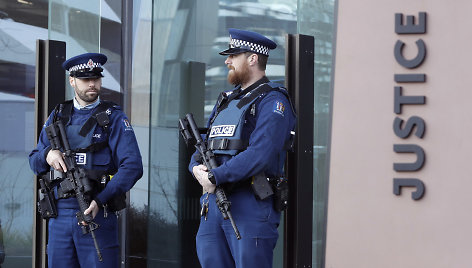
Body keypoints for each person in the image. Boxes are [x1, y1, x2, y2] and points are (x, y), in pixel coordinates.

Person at [189, 29, 296, 268]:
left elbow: (260, 153)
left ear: (253, 58)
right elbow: (203, 149)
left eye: (233, 56)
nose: (227, 61)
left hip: (250, 205)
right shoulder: (227, 100)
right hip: (213, 205)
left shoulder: (273, 101)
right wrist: (196, 169)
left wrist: (215, 176)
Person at [29, 53, 143, 267]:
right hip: (60, 214)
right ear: (72, 81)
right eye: (85, 79)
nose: (92, 84)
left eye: (96, 79)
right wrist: (47, 154)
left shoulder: (114, 117)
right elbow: (34, 161)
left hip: (96, 209)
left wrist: (101, 199)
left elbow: (133, 167)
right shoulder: (58, 115)